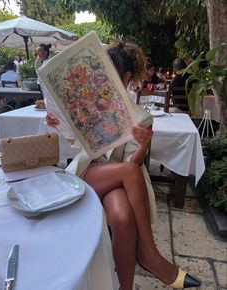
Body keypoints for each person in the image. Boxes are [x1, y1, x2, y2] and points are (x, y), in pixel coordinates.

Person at [46, 42, 201, 290]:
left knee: (122, 216)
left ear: (126, 77)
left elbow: (133, 163)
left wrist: (142, 146)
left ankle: (125, 287)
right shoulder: (89, 105)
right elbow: (76, 143)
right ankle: (150, 255)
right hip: (90, 172)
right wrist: (58, 123)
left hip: (121, 181)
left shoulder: (141, 117)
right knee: (128, 173)